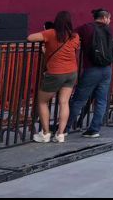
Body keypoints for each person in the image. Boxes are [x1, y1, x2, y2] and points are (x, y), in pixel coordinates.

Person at [28, 11, 81, 143]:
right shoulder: (75, 36)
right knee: (64, 102)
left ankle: (45, 133)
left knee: (42, 101)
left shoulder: (51, 33)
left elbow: (30, 37)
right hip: (72, 72)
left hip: (55, 73)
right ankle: (60, 134)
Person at [67, 8, 113, 138]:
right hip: (107, 69)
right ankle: (94, 129)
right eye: (109, 18)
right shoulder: (109, 30)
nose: (109, 21)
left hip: (91, 68)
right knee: (101, 100)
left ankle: (65, 127)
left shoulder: (86, 28)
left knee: (79, 99)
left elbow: (71, 35)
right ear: (104, 18)